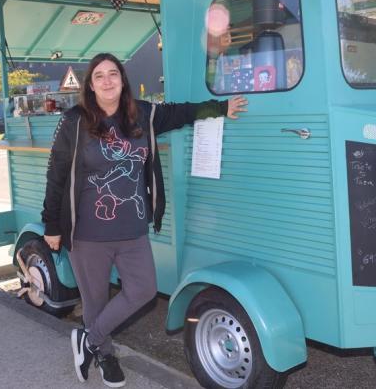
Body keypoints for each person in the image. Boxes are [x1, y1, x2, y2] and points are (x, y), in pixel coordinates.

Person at [41, 53, 247, 387]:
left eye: (113, 74)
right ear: (90, 85)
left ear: (122, 80)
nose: (107, 81)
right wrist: (51, 224)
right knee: (95, 301)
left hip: (132, 228)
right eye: (99, 76)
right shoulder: (75, 121)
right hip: (87, 233)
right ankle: (105, 355)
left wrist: (220, 108)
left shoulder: (144, 114)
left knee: (143, 290)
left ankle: (88, 340)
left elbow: (181, 112)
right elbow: (57, 173)